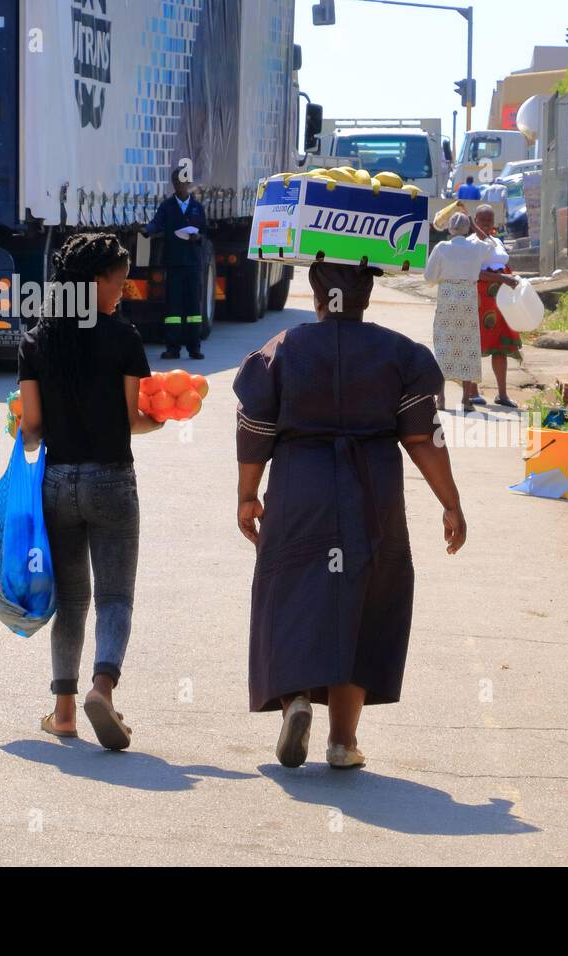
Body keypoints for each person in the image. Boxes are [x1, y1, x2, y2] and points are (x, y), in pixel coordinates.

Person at [233, 262, 468, 770]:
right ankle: (342, 741)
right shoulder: (403, 356)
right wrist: (450, 502)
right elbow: (423, 439)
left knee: (292, 591)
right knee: (366, 602)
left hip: (299, 488)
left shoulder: (282, 350)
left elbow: (254, 430)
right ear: (368, 293)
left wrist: (247, 494)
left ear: (315, 294)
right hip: (372, 490)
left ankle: (293, 697)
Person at [17, 233, 164, 751]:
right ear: (93, 281)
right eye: (118, 282)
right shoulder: (123, 338)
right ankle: (102, 688)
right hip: (111, 480)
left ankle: (62, 713)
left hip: (58, 483)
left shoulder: (38, 340)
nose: (122, 292)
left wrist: (20, 422)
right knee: (115, 596)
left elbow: (31, 427)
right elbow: (131, 421)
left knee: (72, 601)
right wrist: (163, 420)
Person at [423, 212, 516, 412]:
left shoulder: (441, 248)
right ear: (468, 229)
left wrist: (444, 278)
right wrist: (474, 226)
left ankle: (441, 398)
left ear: (449, 229)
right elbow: (491, 244)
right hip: (468, 299)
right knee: (468, 348)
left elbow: (429, 277)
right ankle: (466, 399)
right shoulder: (476, 248)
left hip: (448, 298)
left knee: (444, 346)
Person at [143, 167, 208, 361]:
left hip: (192, 264)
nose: (180, 186)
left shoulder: (197, 208)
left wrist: (197, 237)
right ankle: (173, 348)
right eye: (176, 182)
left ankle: (194, 348)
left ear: (188, 184)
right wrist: (146, 230)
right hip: (174, 263)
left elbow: (205, 233)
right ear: (174, 184)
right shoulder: (167, 207)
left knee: (193, 309)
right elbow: (157, 223)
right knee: (173, 309)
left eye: (183, 182)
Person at [470, 203, 522, 408]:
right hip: (482, 300)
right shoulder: (470, 244)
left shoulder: (497, 242)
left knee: (501, 346)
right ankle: (472, 390)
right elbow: (473, 271)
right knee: (476, 345)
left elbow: (503, 266)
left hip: (502, 301)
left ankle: (502, 393)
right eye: (481, 220)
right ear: (475, 221)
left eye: (489, 221)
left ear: (494, 224)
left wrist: (511, 278)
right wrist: (502, 278)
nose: (485, 224)